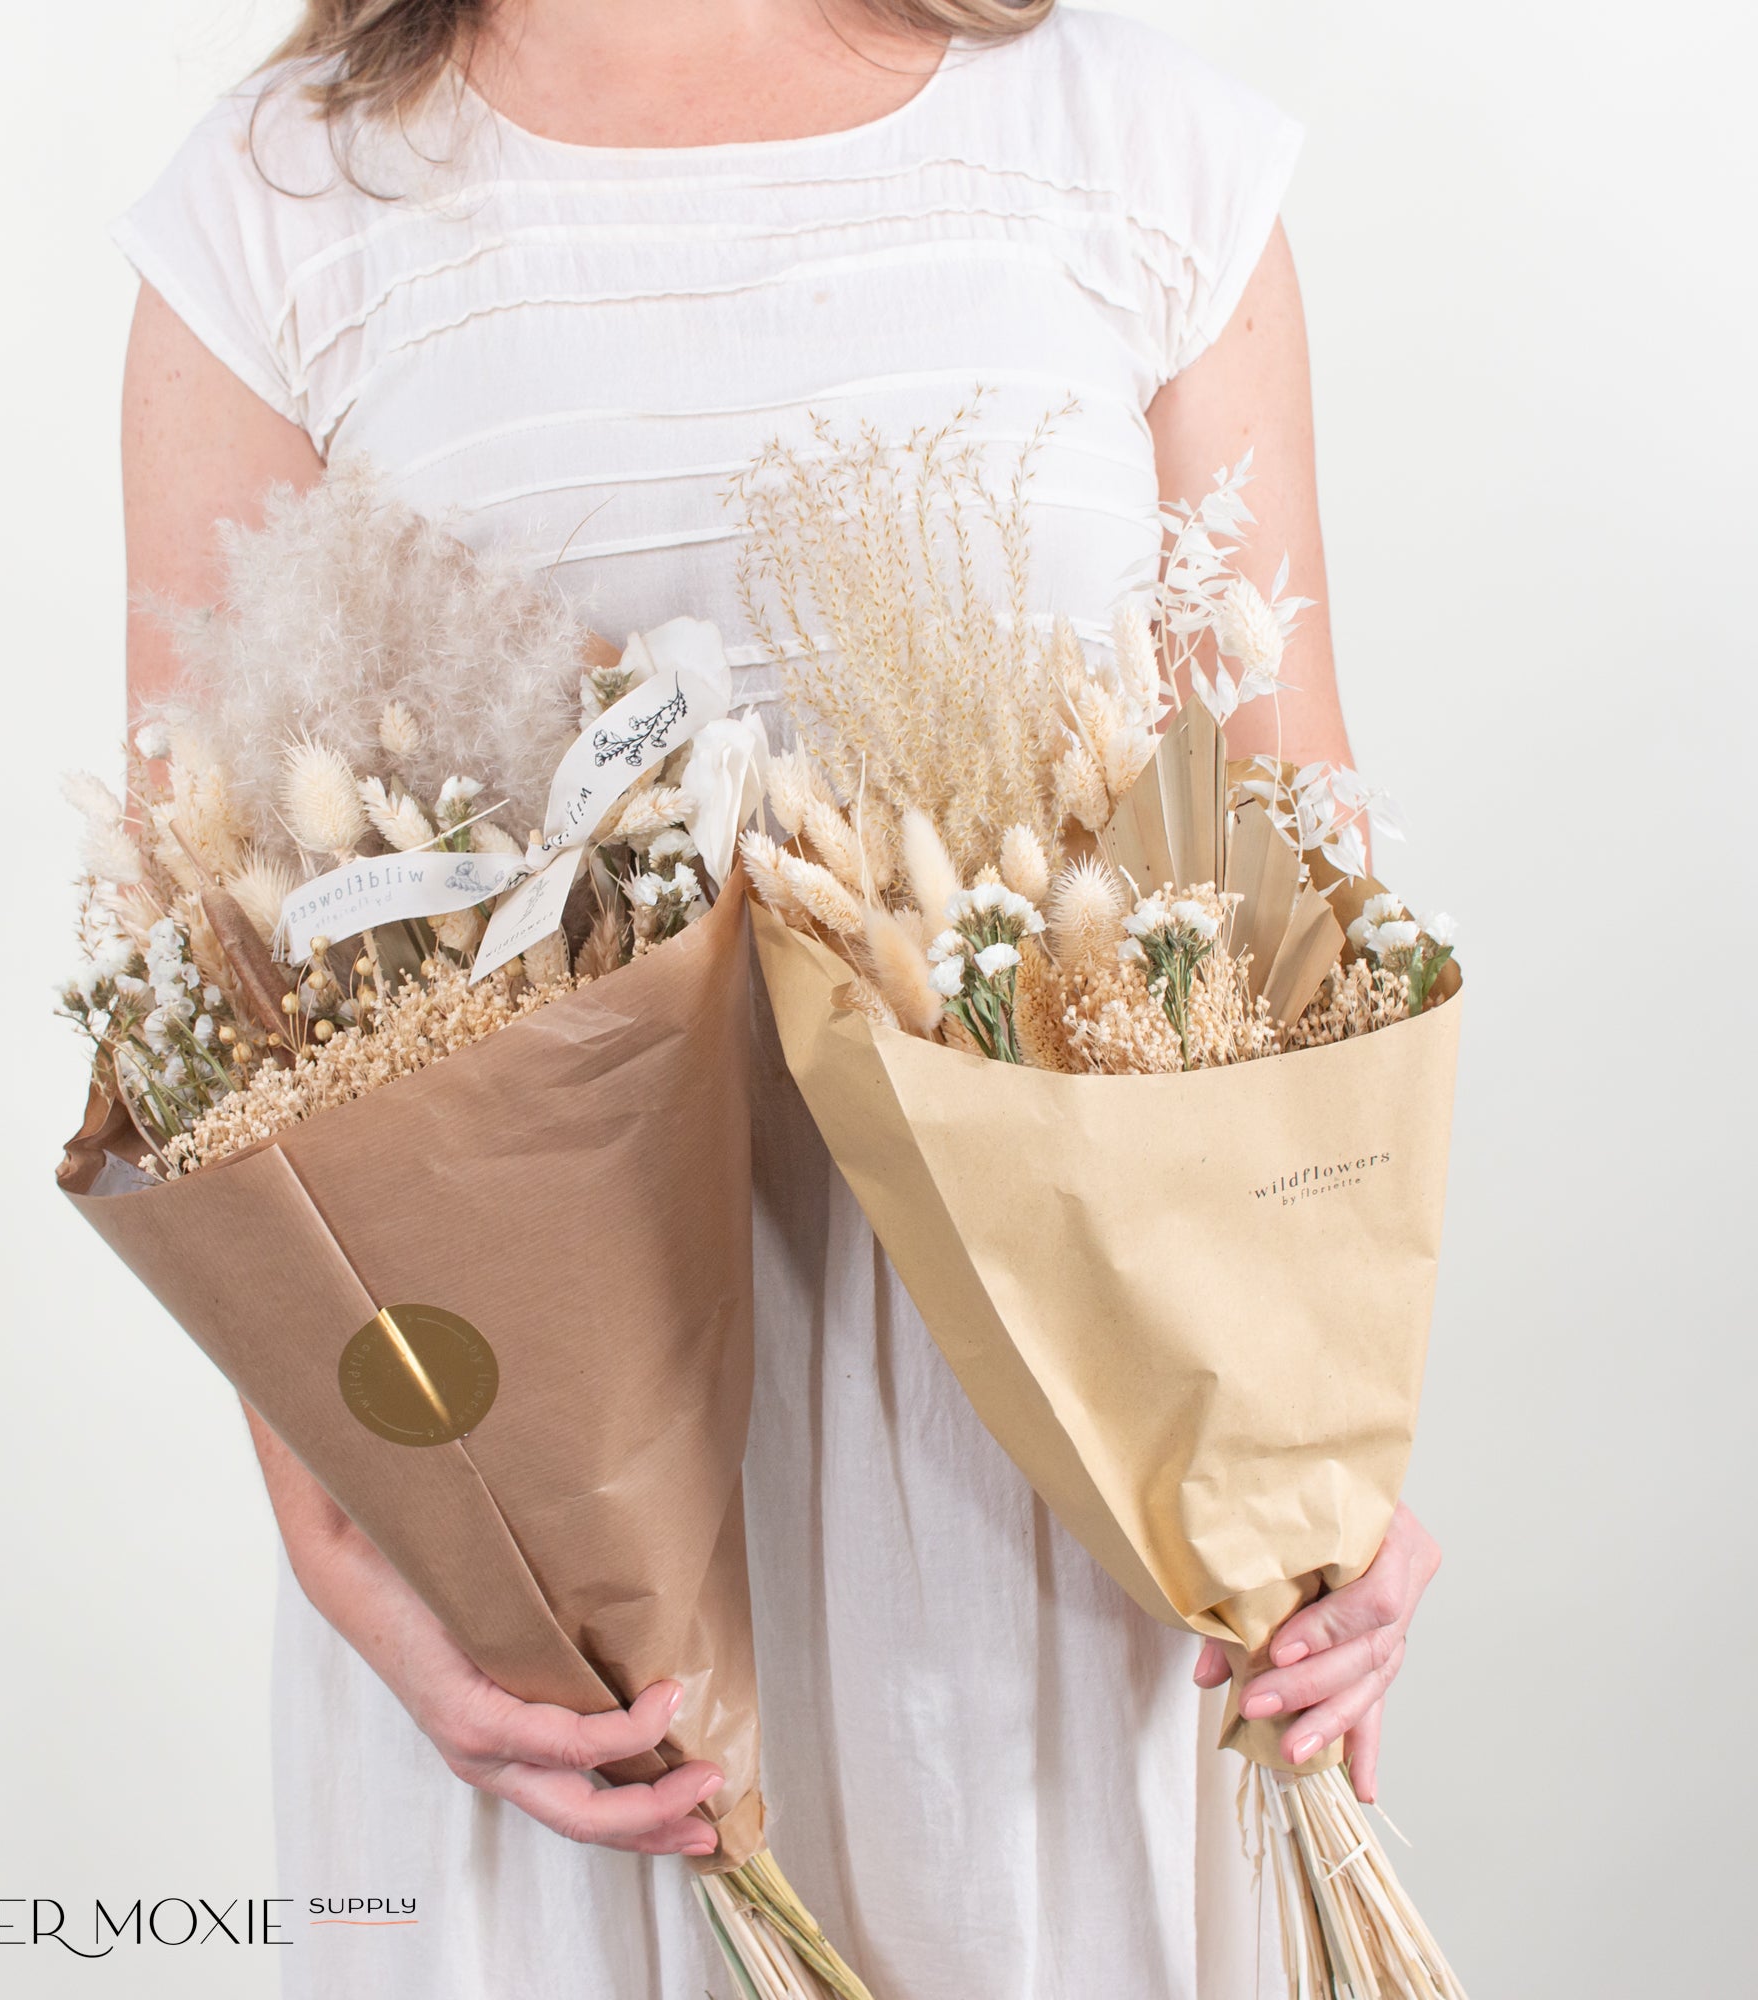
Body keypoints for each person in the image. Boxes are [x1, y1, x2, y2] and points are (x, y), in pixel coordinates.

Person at [119, 4, 1443, 1994]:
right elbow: (216, 972)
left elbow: (1294, 858)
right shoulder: (273, 209)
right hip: (571, 1555)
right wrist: (353, 1547)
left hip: (1073, 1486)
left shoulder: (1145, 155)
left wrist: (1329, 1469)